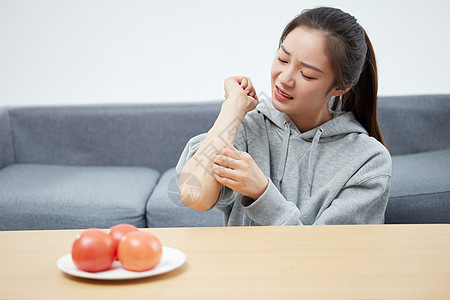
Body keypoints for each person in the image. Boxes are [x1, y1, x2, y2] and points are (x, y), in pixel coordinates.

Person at [176, 7, 391, 226]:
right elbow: (194, 195)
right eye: (283, 59)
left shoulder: (368, 160)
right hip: (239, 261)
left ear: (341, 87)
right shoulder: (249, 129)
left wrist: (262, 193)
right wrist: (233, 107)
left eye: (306, 74)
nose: (285, 79)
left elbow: (329, 252)